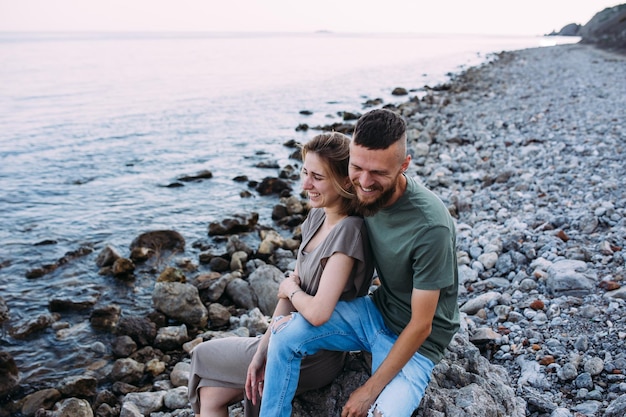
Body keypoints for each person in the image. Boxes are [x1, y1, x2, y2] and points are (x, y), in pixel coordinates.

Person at [259, 108, 460, 417]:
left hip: (419, 343)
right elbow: (323, 191)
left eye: (378, 173)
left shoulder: (430, 227)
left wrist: (369, 390)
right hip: (375, 312)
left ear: (404, 165)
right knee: (284, 335)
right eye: (357, 167)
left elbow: (422, 325)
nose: (364, 182)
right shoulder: (360, 190)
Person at [188, 132, 375, 417]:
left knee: (202, 354)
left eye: (317, 177)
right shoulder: (316, 217)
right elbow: (288, 298)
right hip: (284, 337)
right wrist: (263, 349)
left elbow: (317, 313)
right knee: (210, 394)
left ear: (346, 181)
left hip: (313, 352)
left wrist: (290, 289)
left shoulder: (349, 231)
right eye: (304, 172)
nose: (306, 184)